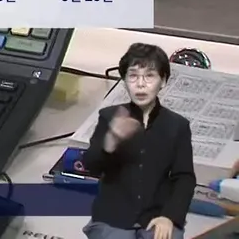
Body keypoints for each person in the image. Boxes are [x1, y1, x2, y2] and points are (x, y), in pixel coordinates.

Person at [80, 43, 194, 239]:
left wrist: (169, 216)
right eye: (133, 76)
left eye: (149, 76)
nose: (140, 84)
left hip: (157, 216)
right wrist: (111, 140)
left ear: (163, 81)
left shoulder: (178, 125)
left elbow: (184, 178)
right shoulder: (109, 117)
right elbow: (92, 167)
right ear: (124, 80)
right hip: (113, 218)